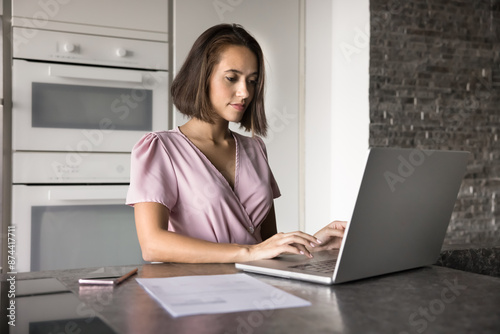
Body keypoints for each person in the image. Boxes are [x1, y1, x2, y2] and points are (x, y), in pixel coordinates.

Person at [126, 23, 346, 264]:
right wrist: (247, 252)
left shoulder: (255, 150)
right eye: (232, 78)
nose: (245, 92)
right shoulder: (160, 149)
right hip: (191, 292)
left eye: (252, 81)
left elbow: (268, 245)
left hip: (256, 290)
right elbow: (152, 245)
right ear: (202, 77)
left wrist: (315, 244)